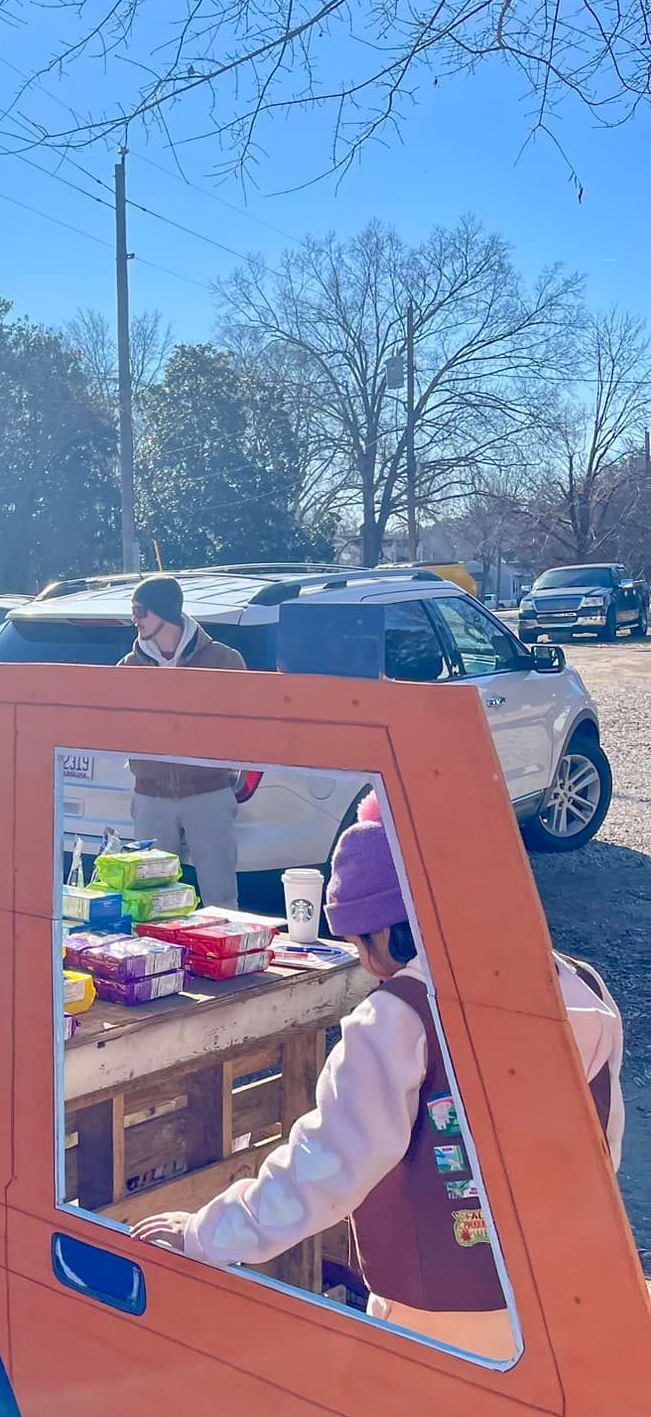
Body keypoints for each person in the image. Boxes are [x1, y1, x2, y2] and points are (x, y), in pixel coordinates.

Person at [132, 793, 624, 1361]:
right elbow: (602, 1138)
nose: (367, 964)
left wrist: (205, 1235)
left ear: (391, 932)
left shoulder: (397, 1017)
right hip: (567, 1284)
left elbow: (327, 1163)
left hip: (442, 1306)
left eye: (362, 944)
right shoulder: (573, 982)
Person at [120, 574, 247, 910]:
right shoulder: (129, 668)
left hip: (209, 793)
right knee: (151, 900)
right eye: (133, 611)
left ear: (165, 612)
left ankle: (225, 961)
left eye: (141, 611)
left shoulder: (223, 660)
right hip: (150, 796)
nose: (136, 619)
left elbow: (248, 724)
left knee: (221, 899)